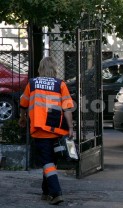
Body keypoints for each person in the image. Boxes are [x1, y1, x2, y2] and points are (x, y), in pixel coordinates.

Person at [19, 57, 74, 205]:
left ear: (40, 69)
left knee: (47, 161)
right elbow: (67, 108)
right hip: (57, 129)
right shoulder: (60, 84)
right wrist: (70, 128)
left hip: (40, 129)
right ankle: (46, 191)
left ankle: (56, 193)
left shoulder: (32, 83)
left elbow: (23, 103)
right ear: (54, 69)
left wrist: (22, 118)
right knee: (50, 161)